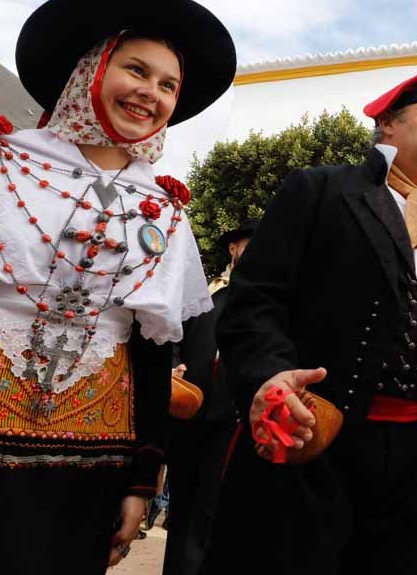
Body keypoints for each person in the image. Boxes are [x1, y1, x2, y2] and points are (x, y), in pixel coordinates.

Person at [0, 0, 235, 573]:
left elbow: (152, 353)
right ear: (91, 71)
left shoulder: (166, 215)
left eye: (167, 85)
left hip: (87, 462)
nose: (150, 93)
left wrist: (140, 481)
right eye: (137, 70)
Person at [203, 63, 417, 574]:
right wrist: (268, 375)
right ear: (388, 124)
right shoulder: (320, 190)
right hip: (321, 442)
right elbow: (255, 302)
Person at [162, 218, 257, 575]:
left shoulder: (261, 300)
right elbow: (172, 336)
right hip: (189, 414)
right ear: (233, 248)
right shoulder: (205, 294)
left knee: (212, 510)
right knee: (182, 507)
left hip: (232, 419)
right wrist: (173, 367)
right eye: (249, 245)